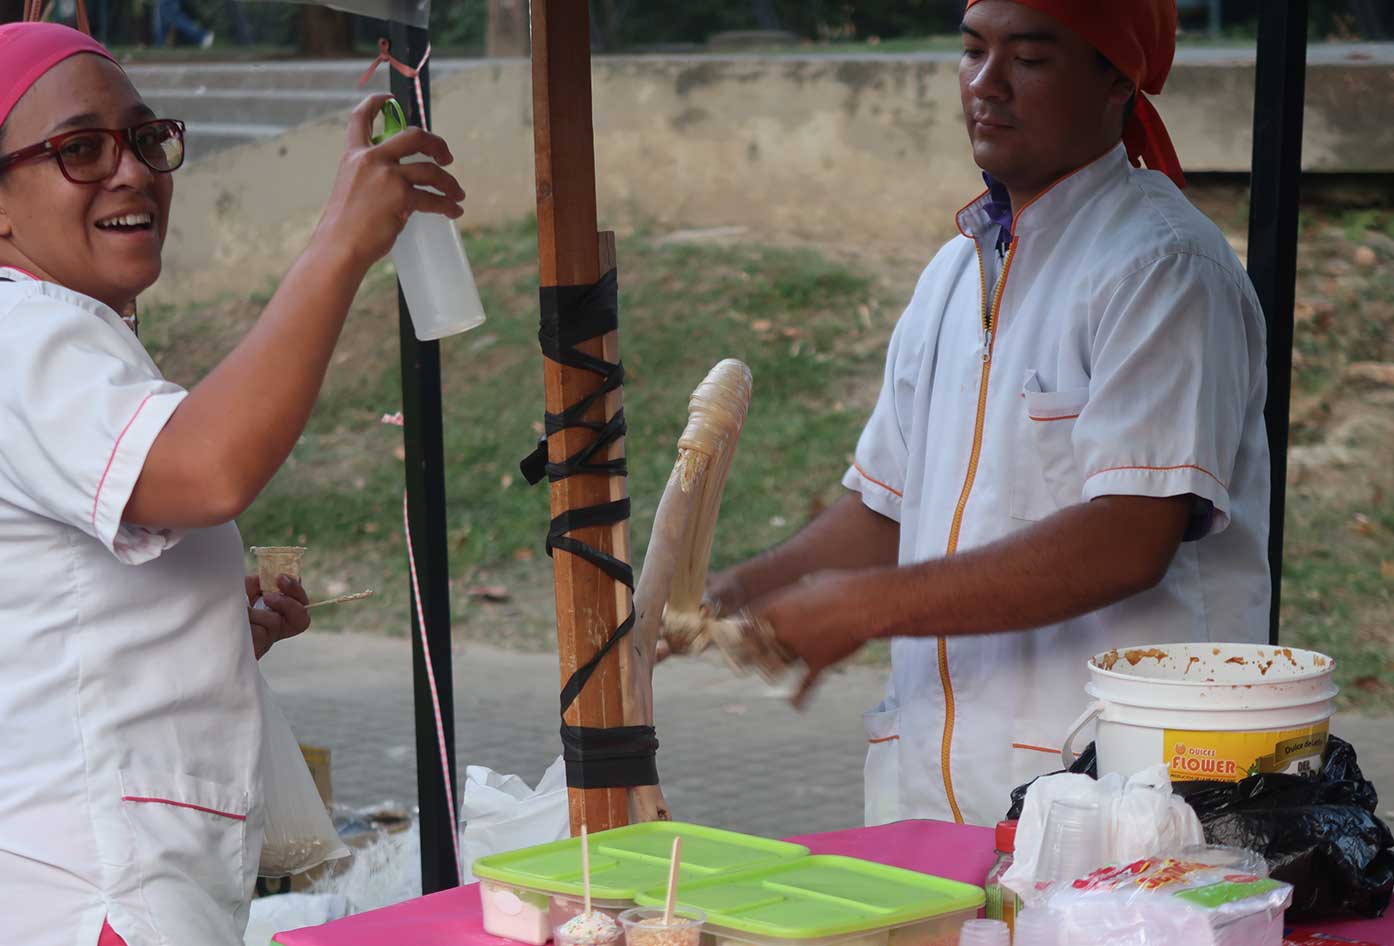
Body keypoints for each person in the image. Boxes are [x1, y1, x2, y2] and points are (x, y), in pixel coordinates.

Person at [705, 0, 1271, 827]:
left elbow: (1129, 538)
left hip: (1121, 802)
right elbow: (884, 509)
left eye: (1029, 59)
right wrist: (729, 595)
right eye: (972, 52)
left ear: (1117, 79)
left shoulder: (1163, 267)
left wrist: (862, 607)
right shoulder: (952, 272)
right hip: (942, 797)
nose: (986, 84)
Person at [0, 22, 465, 946]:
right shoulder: (25, 336)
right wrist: (336, 249)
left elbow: (54, 634)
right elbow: (208, 469)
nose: (131, 171)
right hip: (95, 895)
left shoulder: (59, 336)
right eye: (79, 150)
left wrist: (208, 632)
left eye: (143, 138)